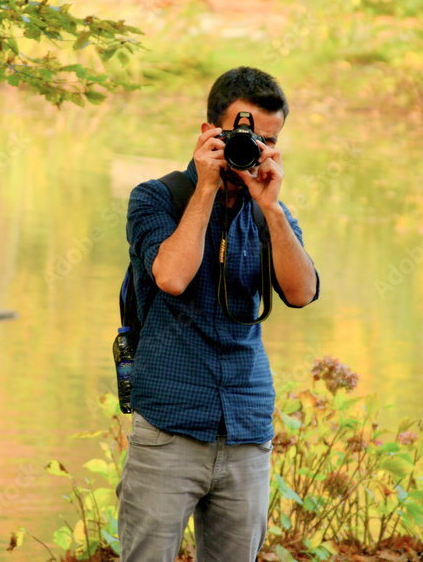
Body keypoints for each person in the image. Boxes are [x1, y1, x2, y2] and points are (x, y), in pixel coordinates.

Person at [118, 66, 319, 562]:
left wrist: (271, 209)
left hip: (246, 428)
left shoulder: (271, 210)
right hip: (170, 424)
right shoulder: (156, 197)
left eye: (267, 140)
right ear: (209, 132)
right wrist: (206, 187)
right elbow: (172, 277)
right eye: (242, 137)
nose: (252, 150)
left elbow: (302, 293)